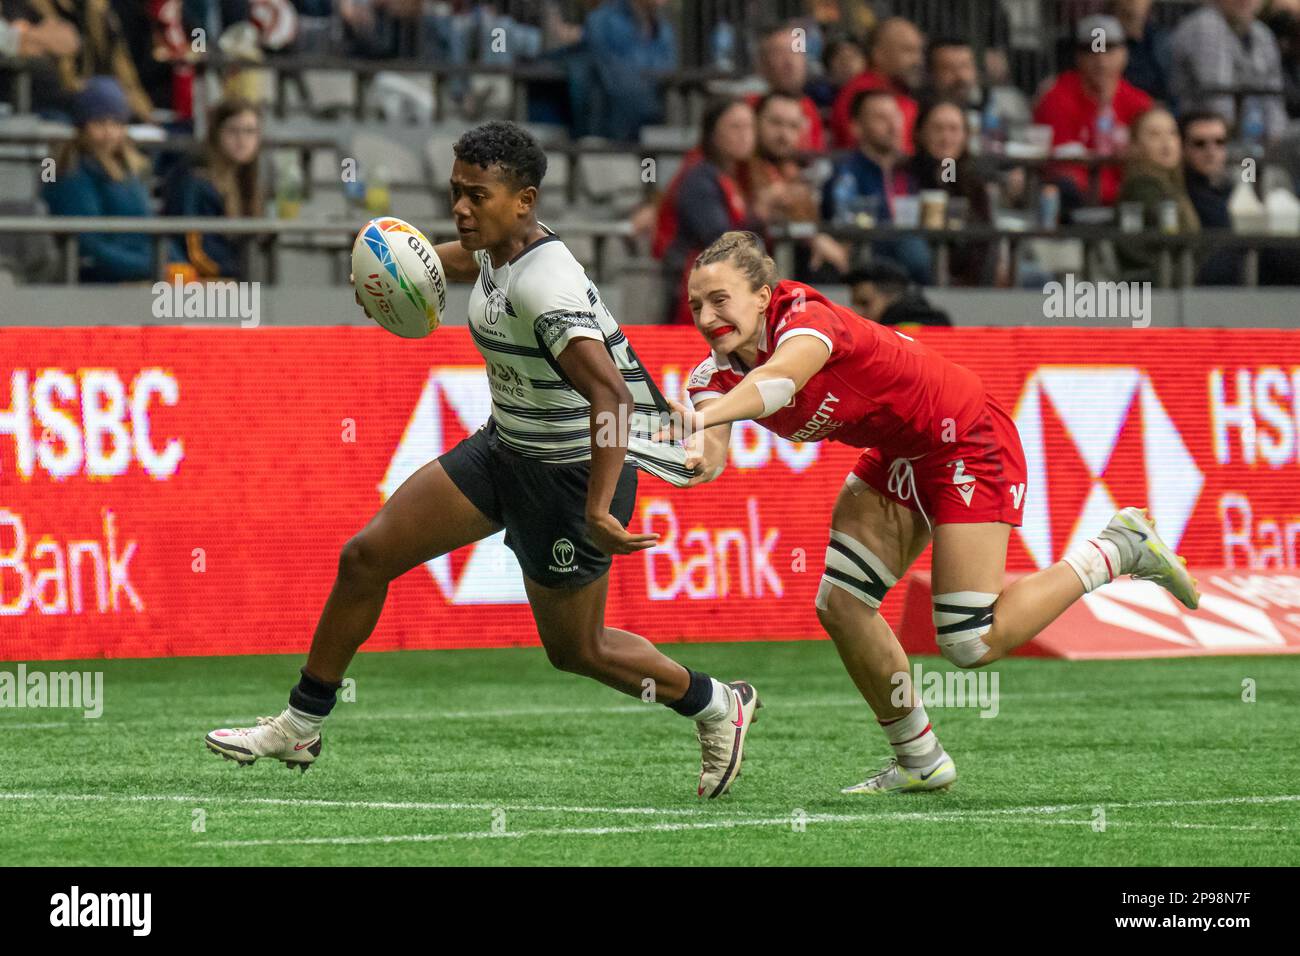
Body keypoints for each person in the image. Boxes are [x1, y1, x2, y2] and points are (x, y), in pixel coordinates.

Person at [204, 122, 760, 800]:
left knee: (577, 651)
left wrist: (596, 507)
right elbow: (456, 263)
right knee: (365, 557)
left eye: (478, 196)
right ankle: (301, 721)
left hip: (570, 477)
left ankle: (713, 703)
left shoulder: (545, 286)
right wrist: (391, 277)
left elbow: (610, 394)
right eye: (455, 193)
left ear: (523, 199)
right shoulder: (498, 246)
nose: (462, 210)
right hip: (502, 450)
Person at [667, 230, 1199, 794]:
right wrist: (694, 458)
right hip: (902, 451)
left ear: (762, 296)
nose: (707, 316)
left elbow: (777, 383)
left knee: (970, 641)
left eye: (720, 299)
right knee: (841, 605)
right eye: (696, 304)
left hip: (968, 437)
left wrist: (708, 417)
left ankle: (1120, 548)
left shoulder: (806, 319)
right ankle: (920, 760)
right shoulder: (712, 377)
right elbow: (713, 449)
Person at [656, 97, 765, 324]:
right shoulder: (699, 180)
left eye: (750, 127)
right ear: (711, 133)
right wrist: (760, 216)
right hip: (697, 293)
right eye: (735, 127)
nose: (745, 135)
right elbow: (720, 240)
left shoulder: (737, 177)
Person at [1033, 14, 1153, 207]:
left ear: (1124, 53)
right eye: (1092, 51)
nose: (1101, 61)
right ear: (1078, 57)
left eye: (1109, 50)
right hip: (1077, 204)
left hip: (1131, 201)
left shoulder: (1138, 102)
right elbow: (1060, 167)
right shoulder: (1057, 97)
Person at [42, 76, 153, 283]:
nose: (109, 133)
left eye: (116, 123)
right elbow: (89, 247)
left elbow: (150, 228)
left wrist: (176, 262)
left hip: (141, 271)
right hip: (101, 283)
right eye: (100, 123)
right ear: (83, 126)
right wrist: (152, 266)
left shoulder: (131, 170)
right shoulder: (71, 174)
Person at [821, 87, 931, 285]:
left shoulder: (912, 170)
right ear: (857, 127)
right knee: (912, 249)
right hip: (868, 269)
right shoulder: (846, 174)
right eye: (881, 118)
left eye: (896, 117)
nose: (893, 126)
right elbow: (847, 227)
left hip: (911, 270)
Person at [161, 97, 264, 280]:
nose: (242, 140)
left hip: (230, 276)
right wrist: (238, 272)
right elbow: (194, 249)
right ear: (217, 133)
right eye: (233, 131)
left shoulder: (245, 180)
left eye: (250, 132)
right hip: (193, 281)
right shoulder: (194, 178)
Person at [1170, 0, 1288, 143]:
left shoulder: (1262, 33)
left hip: (1255, 139)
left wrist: (1276, 142)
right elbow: (1218, 99)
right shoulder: (1205, 25)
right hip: (1208, 139)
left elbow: (1274, 98)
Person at [906, 97, 994, 285]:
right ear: (920, 133)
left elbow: (986, 236)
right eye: (938, 129)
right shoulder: (906, 175)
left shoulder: (974, 181)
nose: (946, 138)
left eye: (953, 129)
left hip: (970, 278)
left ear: (965, 136)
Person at [1114, 107, 1202, 280]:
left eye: (1172, 133)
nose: (1166, 143)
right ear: (1135, 145)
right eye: (1154, 135)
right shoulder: (1141, 187)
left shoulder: (1173, 186)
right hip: (1157, 285)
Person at [831, 16, 924, 153]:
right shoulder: (858, 94)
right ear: (878, 53)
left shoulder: (905, 92)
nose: (918, 60)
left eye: (919, 51)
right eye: (907, 50)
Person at [1180, 109, 1242, 284]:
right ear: (1183, 147)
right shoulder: (1178, 190)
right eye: (1200, 143)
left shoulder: (1233, 189)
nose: (1211, 151)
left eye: (1219, 142)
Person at [745, 21, 826, 153]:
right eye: (779, 53)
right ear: (762, 63)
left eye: (796, 52)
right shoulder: (746, 108)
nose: (790, 61)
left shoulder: (809, 108)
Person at [846, 261, 951, 327]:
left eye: (865, 303)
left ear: (892, 297)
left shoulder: (925, 326)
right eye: (854, 304)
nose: (856, 312)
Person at [1110, 0, 1173, 103]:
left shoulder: (1160, 39)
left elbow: (1169, 92)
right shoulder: (1100, 35)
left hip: (1152, 110)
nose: (1134, 2)